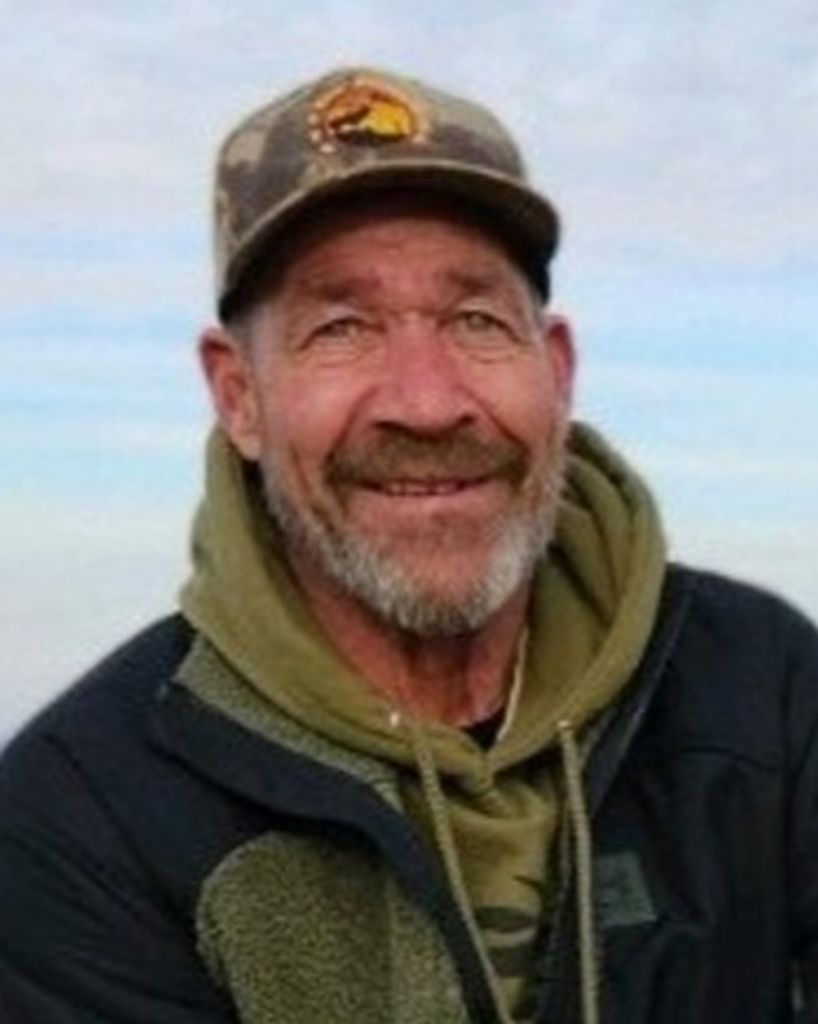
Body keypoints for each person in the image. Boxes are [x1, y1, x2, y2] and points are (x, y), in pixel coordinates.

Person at [1, 66, 817, 1024]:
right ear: (239, 396)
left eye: (476, 321)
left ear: (556, 372)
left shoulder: (764, 687)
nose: (426, 403)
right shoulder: (79, 817)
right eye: (340, 328)